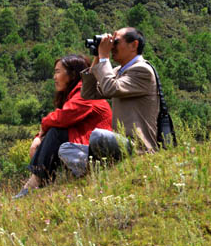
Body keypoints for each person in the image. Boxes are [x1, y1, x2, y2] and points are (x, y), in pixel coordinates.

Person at [59, 27, 160, 178]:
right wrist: (97, 58)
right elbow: (89, 93)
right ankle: (99, 170)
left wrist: (104, 57)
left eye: (116, 42)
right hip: (119, 142)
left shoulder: (142, 70)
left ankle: (95, 170)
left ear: (134, 45)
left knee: (98, 136)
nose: (112, 46)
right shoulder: (119, 71)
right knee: (66, 148)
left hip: (137, 146)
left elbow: (110, 88)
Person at [14, 55, 112, 198]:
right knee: (54, 132)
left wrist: (41, 132)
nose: (54, 77)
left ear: (72, 74)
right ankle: (36, 181)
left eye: (58, 71)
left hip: (97, 148)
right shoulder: (74, 94)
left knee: (56, 132)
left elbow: (62, 118)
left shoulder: (84, 93)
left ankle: (36, 181)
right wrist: (39, 138)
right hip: (85, 144)